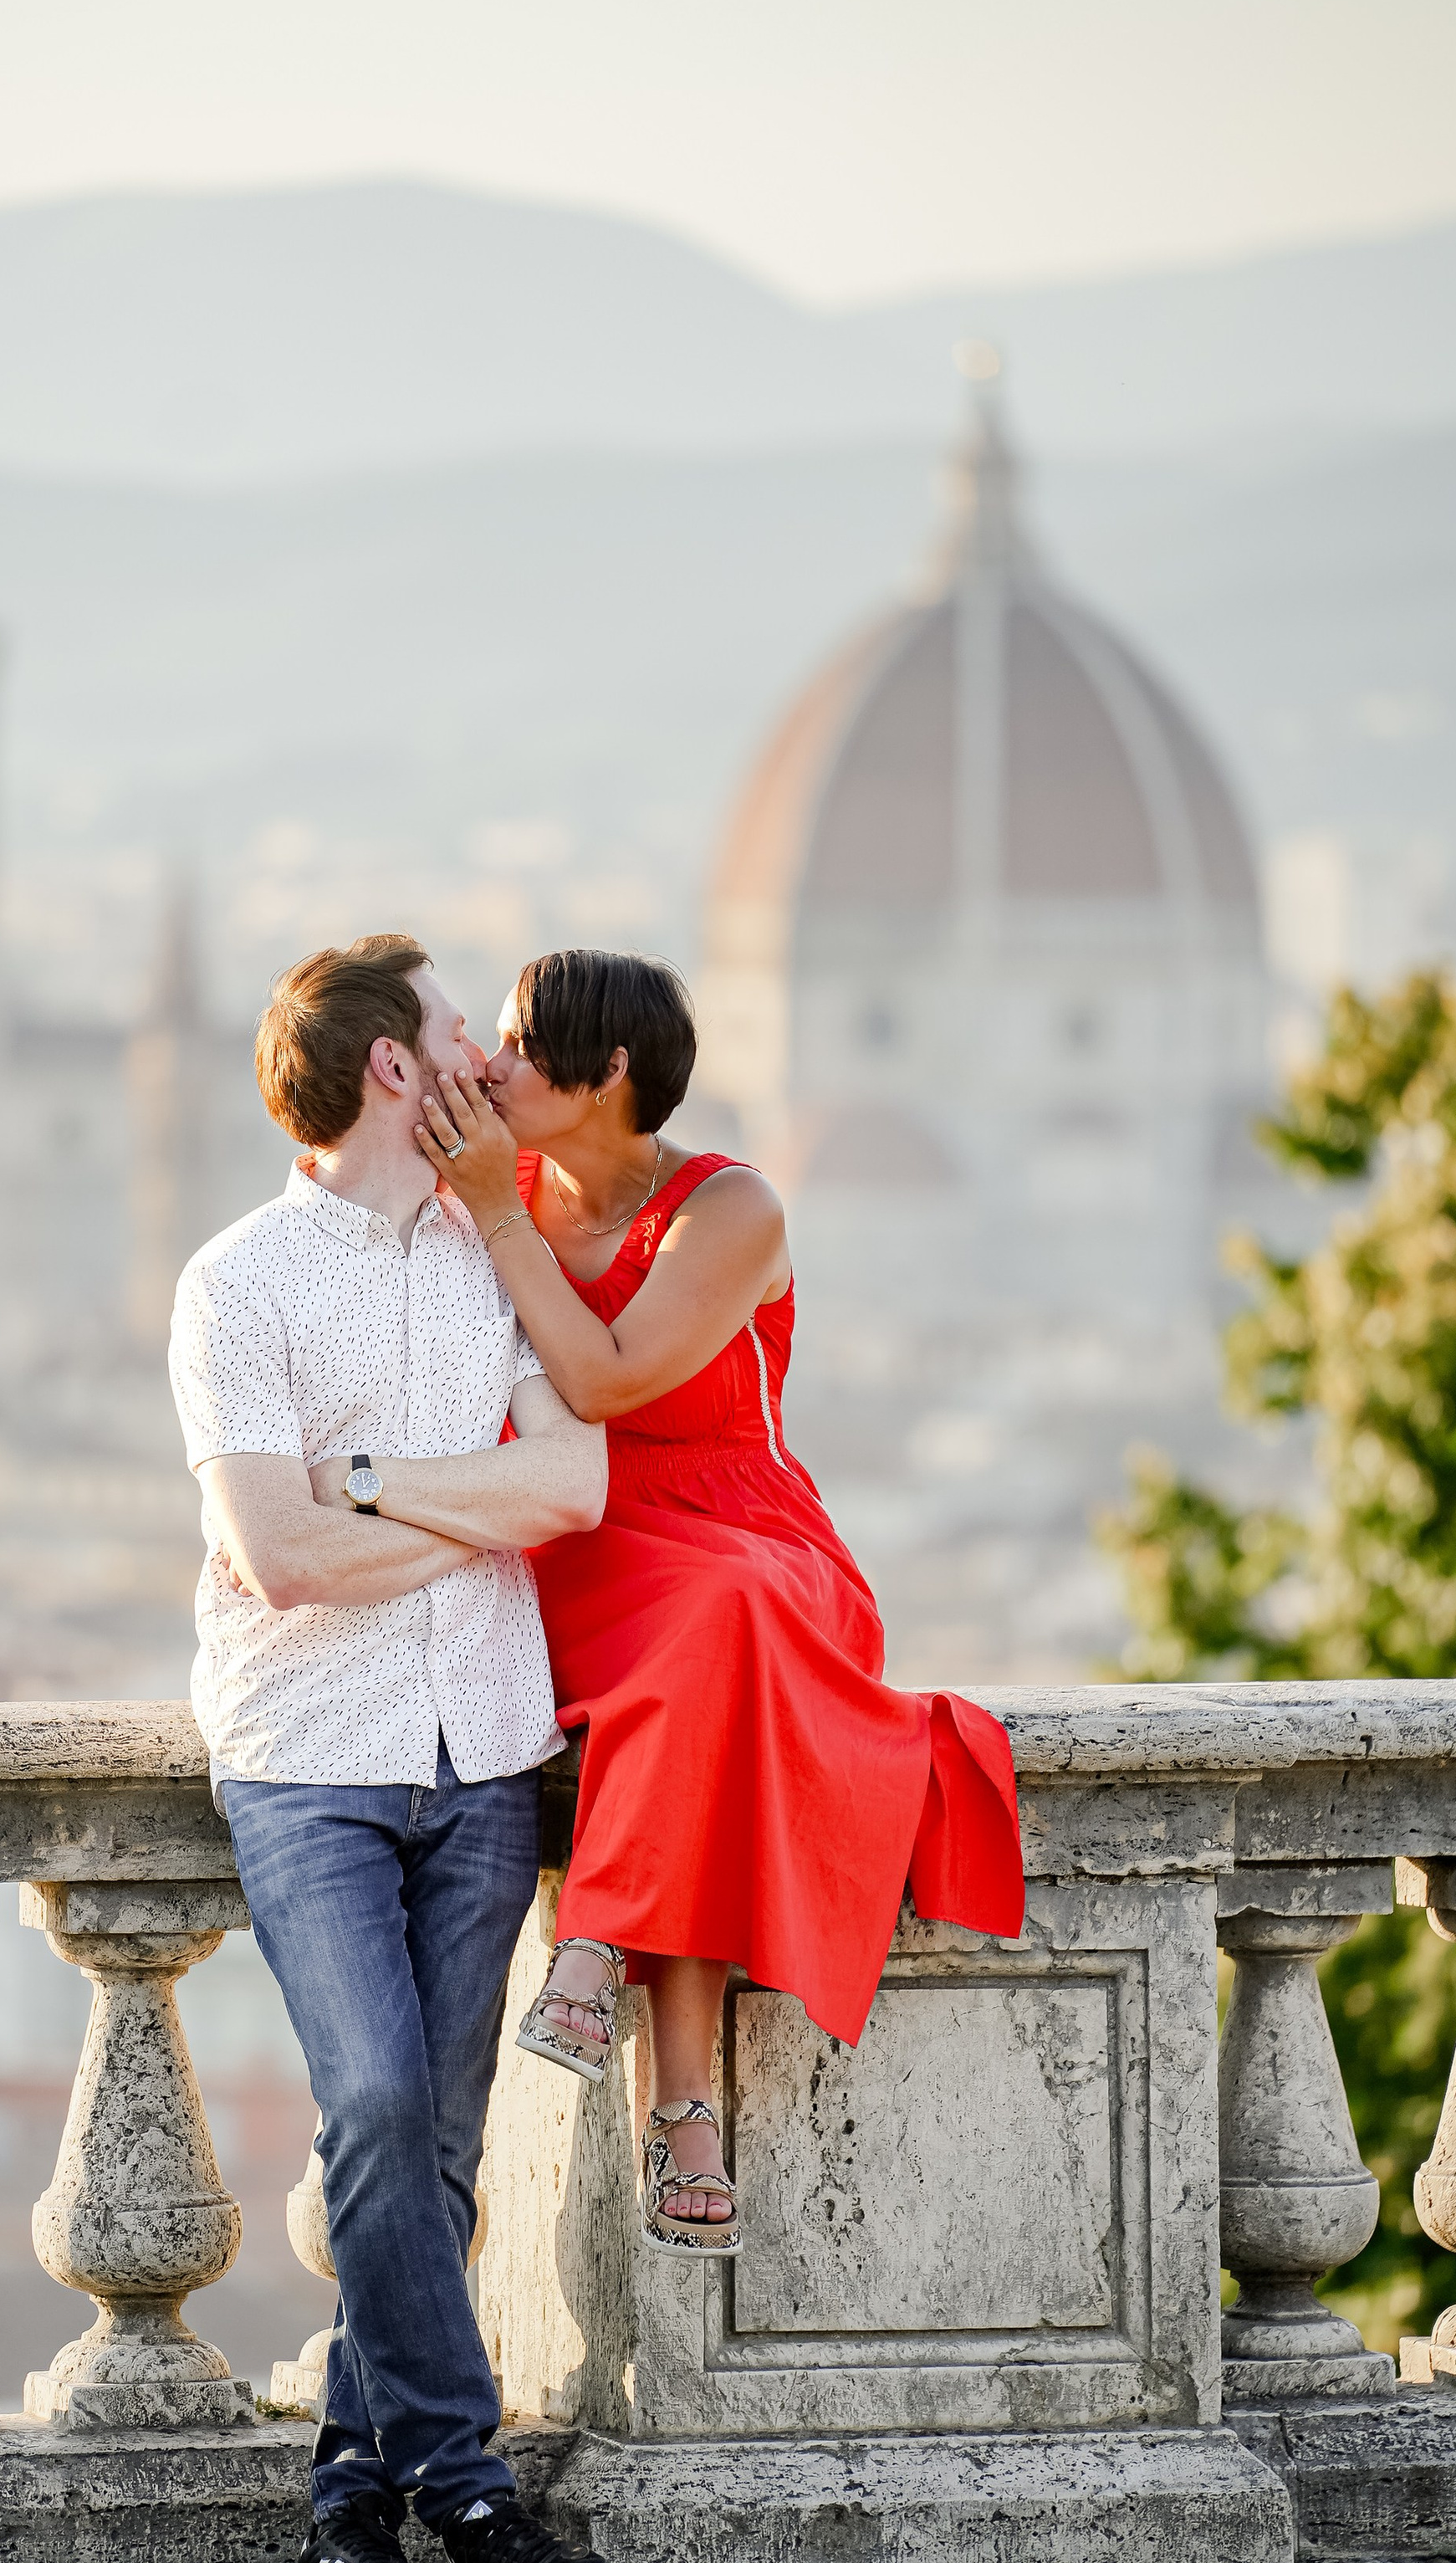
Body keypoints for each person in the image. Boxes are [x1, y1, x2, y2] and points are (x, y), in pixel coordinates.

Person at [411, 947, 1025, 2253]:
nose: (498, 1067)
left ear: (612, 1070)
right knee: (699, 1684)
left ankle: (606, 1968)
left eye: (523, 1045)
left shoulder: (727, 1208)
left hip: (743, 1539)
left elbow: (612, 1380)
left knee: (717, 1630)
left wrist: (501, 1221)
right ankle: (679, 2099)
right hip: (576, 1534)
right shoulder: (491, 1185)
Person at [168, 931, 617, 2563]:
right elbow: (270, 1557)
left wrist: (360, 1488)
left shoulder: (494, 1256)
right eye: (453, 1032)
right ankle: (475, 2491)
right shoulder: (238, 1285)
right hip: (311, 1765)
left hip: (485, 1752)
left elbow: (568, 1489)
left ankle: (349, 2508)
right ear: (387, 1071)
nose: (481, 1060)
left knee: (432, 2151)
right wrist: (453, 1510)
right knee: (367, 2112)